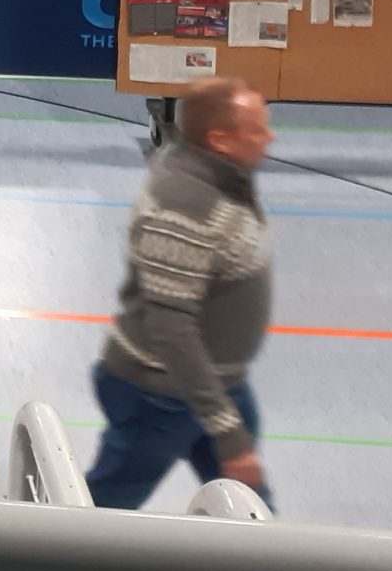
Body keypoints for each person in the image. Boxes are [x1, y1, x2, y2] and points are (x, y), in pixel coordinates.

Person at [85, 75, 275, 510]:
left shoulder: (220, 174)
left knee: (249, 511)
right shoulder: (186, 207)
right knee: (105, 513)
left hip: (211, 386)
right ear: (220, 140)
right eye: (258, 130)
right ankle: (42, 551)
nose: (270, 138)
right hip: (163, 395)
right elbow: (171, 330)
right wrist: (227, 430)